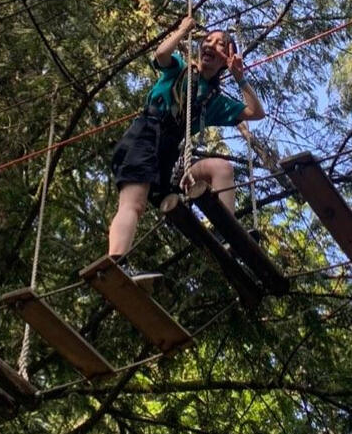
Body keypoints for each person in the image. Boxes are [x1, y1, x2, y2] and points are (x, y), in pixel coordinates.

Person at [108, 16, 265, 279]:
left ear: (226, 59)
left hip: (169, 155)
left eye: (220, 44)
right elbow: (161, 54)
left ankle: (226, 234)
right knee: (134, 203)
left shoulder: (214, 100)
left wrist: (240, 79)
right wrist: (183, 30)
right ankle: (116, 262)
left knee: (222, 168)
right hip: (146, 135)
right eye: (208, 40)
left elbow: (256, 112)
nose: (211, 45)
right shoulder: (180, 70)